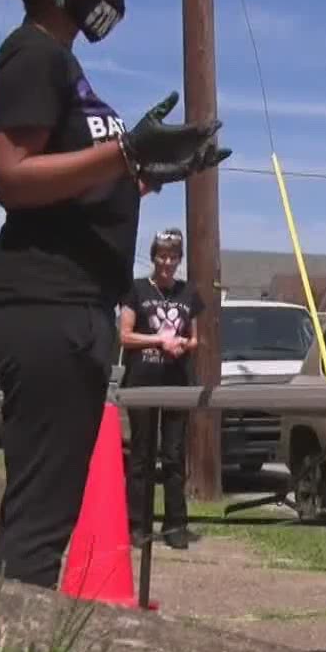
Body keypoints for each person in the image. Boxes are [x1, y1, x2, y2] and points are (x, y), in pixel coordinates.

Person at [0, 0, 230, 589]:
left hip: (73, 309)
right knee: (37, 525)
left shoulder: (65, 67)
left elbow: (76, 191)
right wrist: (123, 157)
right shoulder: (33, 56)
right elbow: (13, 176)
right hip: (42, 305)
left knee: (44, 515)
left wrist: (149, 173)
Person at [118, 228, 203, 549]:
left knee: (173, 456)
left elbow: (195, 339)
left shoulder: (188, 293)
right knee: (141, 455)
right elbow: (125, 336)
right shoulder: (137, 290)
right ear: (154, 257)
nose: (167, 262)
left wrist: (183, 344)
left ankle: (176, 525)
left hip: (176, 383)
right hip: (142, 383)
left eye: (173, 256)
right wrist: (158, 340)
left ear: (179, 259)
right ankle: (137, 524)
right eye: (162, 255)